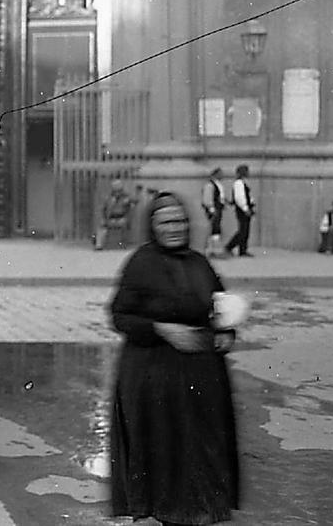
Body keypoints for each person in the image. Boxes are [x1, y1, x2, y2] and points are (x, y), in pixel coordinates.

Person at [108, 192, 240, 525]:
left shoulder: (199, 262)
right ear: (152, 226)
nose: (175, 228)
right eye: (166, 222)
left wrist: (226, 331)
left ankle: (200, 509)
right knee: (165, 446)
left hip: (200, 372)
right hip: (154, 374)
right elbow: (120, 316)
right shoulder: (141, 263)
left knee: (202, 445)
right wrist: (160, 328)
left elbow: (218, 306)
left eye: (180, 221)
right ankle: (164, 512)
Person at [224, 164, 255, 257]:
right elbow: (239, 197)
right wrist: (245, 208)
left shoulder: (242, 182)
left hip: (244, 208)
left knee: (244, 230)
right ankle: (231, 247)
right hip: (242, 209)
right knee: (243, 230)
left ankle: (242, 249)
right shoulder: (239, 183)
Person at [97, 179, 135, 250]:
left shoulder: (126, 197)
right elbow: (103, 209)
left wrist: (129, 203)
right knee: (102, 228)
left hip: (122, 218)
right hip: (110, 218)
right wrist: (103, 219)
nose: (117, 192)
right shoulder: (108, 197)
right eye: (115, 190)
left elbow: (132, 204)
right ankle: (99, 245)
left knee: (124, 224)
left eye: (119, 190)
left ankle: (123, 244)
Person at [201, 167, 227, 258]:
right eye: (220, 173)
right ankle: (213, 250)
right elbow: (207, 198)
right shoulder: (210, 185)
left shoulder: (217, 184)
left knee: (215, 229)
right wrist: (211, 209)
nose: (222, 175)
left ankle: (212, 250)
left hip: (218, 209)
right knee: (214, 229)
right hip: (214, 210)